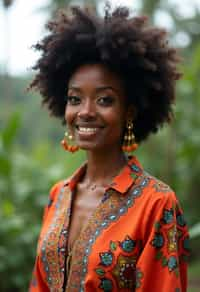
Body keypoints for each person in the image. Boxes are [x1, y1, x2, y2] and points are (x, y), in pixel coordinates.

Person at [29, 4, 190, 292]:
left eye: (104, 100)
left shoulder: (156, 204)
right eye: (75, 98)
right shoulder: (59, 195)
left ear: (129, 112)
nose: (85, 112)